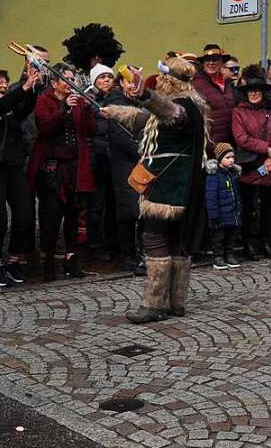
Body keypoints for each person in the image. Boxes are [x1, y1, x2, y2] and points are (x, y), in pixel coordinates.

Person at [102, 56, 206, 322]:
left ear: (168, 79)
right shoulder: (191, 104)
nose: (158, 81)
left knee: (155, 239)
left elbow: (168, 112)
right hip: (179, 183)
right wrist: (113, 111)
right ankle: (176, 301)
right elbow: (144, 118)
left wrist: (145, 93)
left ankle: (154, 304)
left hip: (168, 183)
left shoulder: (182, 107)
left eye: (161, 78)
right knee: (175, 240)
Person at [27, 62, 95, 281]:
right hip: (53, 167)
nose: (70, 84)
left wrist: (85, 110)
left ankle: (71, 258)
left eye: (72, 80)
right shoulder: (44, 101)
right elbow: (45, 127)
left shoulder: (79, 101)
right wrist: (64, 107)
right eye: (66, 80)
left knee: (74, 214)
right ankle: (48, 262)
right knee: (51, 216)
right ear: (55, 82)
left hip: (76, 166)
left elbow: (90, 130)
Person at [0, 66, 40, 285]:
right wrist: (22, 87)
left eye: (6, 81)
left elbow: (25, 106)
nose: (4, 85)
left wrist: (32, 86)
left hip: (14, 167)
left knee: (25, 215)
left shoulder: (11, 107)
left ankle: (13, 260)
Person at [232, 66, 271, 260]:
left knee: (268, 207)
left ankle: (265, 241)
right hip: (251, 166)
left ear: (263, 93)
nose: (253, 94)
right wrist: (267, 149)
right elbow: (241, 138)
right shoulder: (239, 112)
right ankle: (248, 243)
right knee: (249, 207)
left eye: (257, 91)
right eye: (250, 91)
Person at [102, 68, 145, 274]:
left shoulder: (141, 103)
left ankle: (142, 254)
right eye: (129, 82)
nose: (132, 86)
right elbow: (119, 136)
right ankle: (128, 255)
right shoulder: (115, 103)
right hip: (125, 163)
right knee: (129, 211)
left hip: (142, 162)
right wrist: (142, 151)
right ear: (122, 84)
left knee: (143, 210)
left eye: (135, 82)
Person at [86, 64, 117, 259]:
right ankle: (95, 244)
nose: (106, 80)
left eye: (109, 77)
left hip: (114, 156)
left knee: (113, 202)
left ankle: (113, 240)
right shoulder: (88, 101)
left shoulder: (117, 98)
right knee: (96, 204)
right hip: (96, 157)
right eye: (102, 77)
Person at [206, 142, 243, 269]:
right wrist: (214, 214)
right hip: (220, 214)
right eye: (228, 158)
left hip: (232, 213)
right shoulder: (214, 176)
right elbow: (211, 196)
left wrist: (238, 209)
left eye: (232, 157)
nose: (231, 160)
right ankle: (218, 257)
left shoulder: (232, 174)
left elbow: (236, 194)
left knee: (231, 236)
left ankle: (229, 255)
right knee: (219, 237)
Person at [193, 45, 236, 149]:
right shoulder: (196, 84)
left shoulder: (228, 83)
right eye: (207, 60)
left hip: (229, 144)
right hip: (209, 144)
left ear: (222, 63)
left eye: (215, 60)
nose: (211, 63)